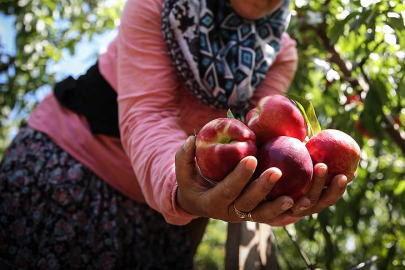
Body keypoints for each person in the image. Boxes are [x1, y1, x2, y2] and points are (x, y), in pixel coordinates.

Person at [0, 0, 351, 269]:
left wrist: (281, 193)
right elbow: (148, 114)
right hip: (71, 171)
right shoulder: (158, 4)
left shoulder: (280, 52)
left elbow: (265, 145)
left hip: (167, 216)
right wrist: (181, 190)